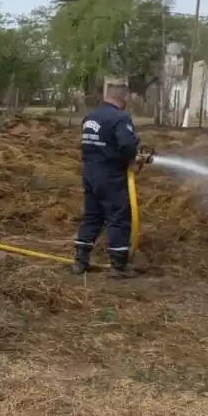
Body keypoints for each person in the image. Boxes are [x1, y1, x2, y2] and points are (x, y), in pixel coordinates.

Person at [73, 83, 140, 278]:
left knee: (92, 215)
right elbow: (126, 144)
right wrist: (132, 161)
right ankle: (118, 266)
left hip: (90, 173)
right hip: (111, 175)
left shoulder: (91, 116)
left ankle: (80, 261)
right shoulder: (120, 118)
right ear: (124, 97)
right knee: (118, 216)